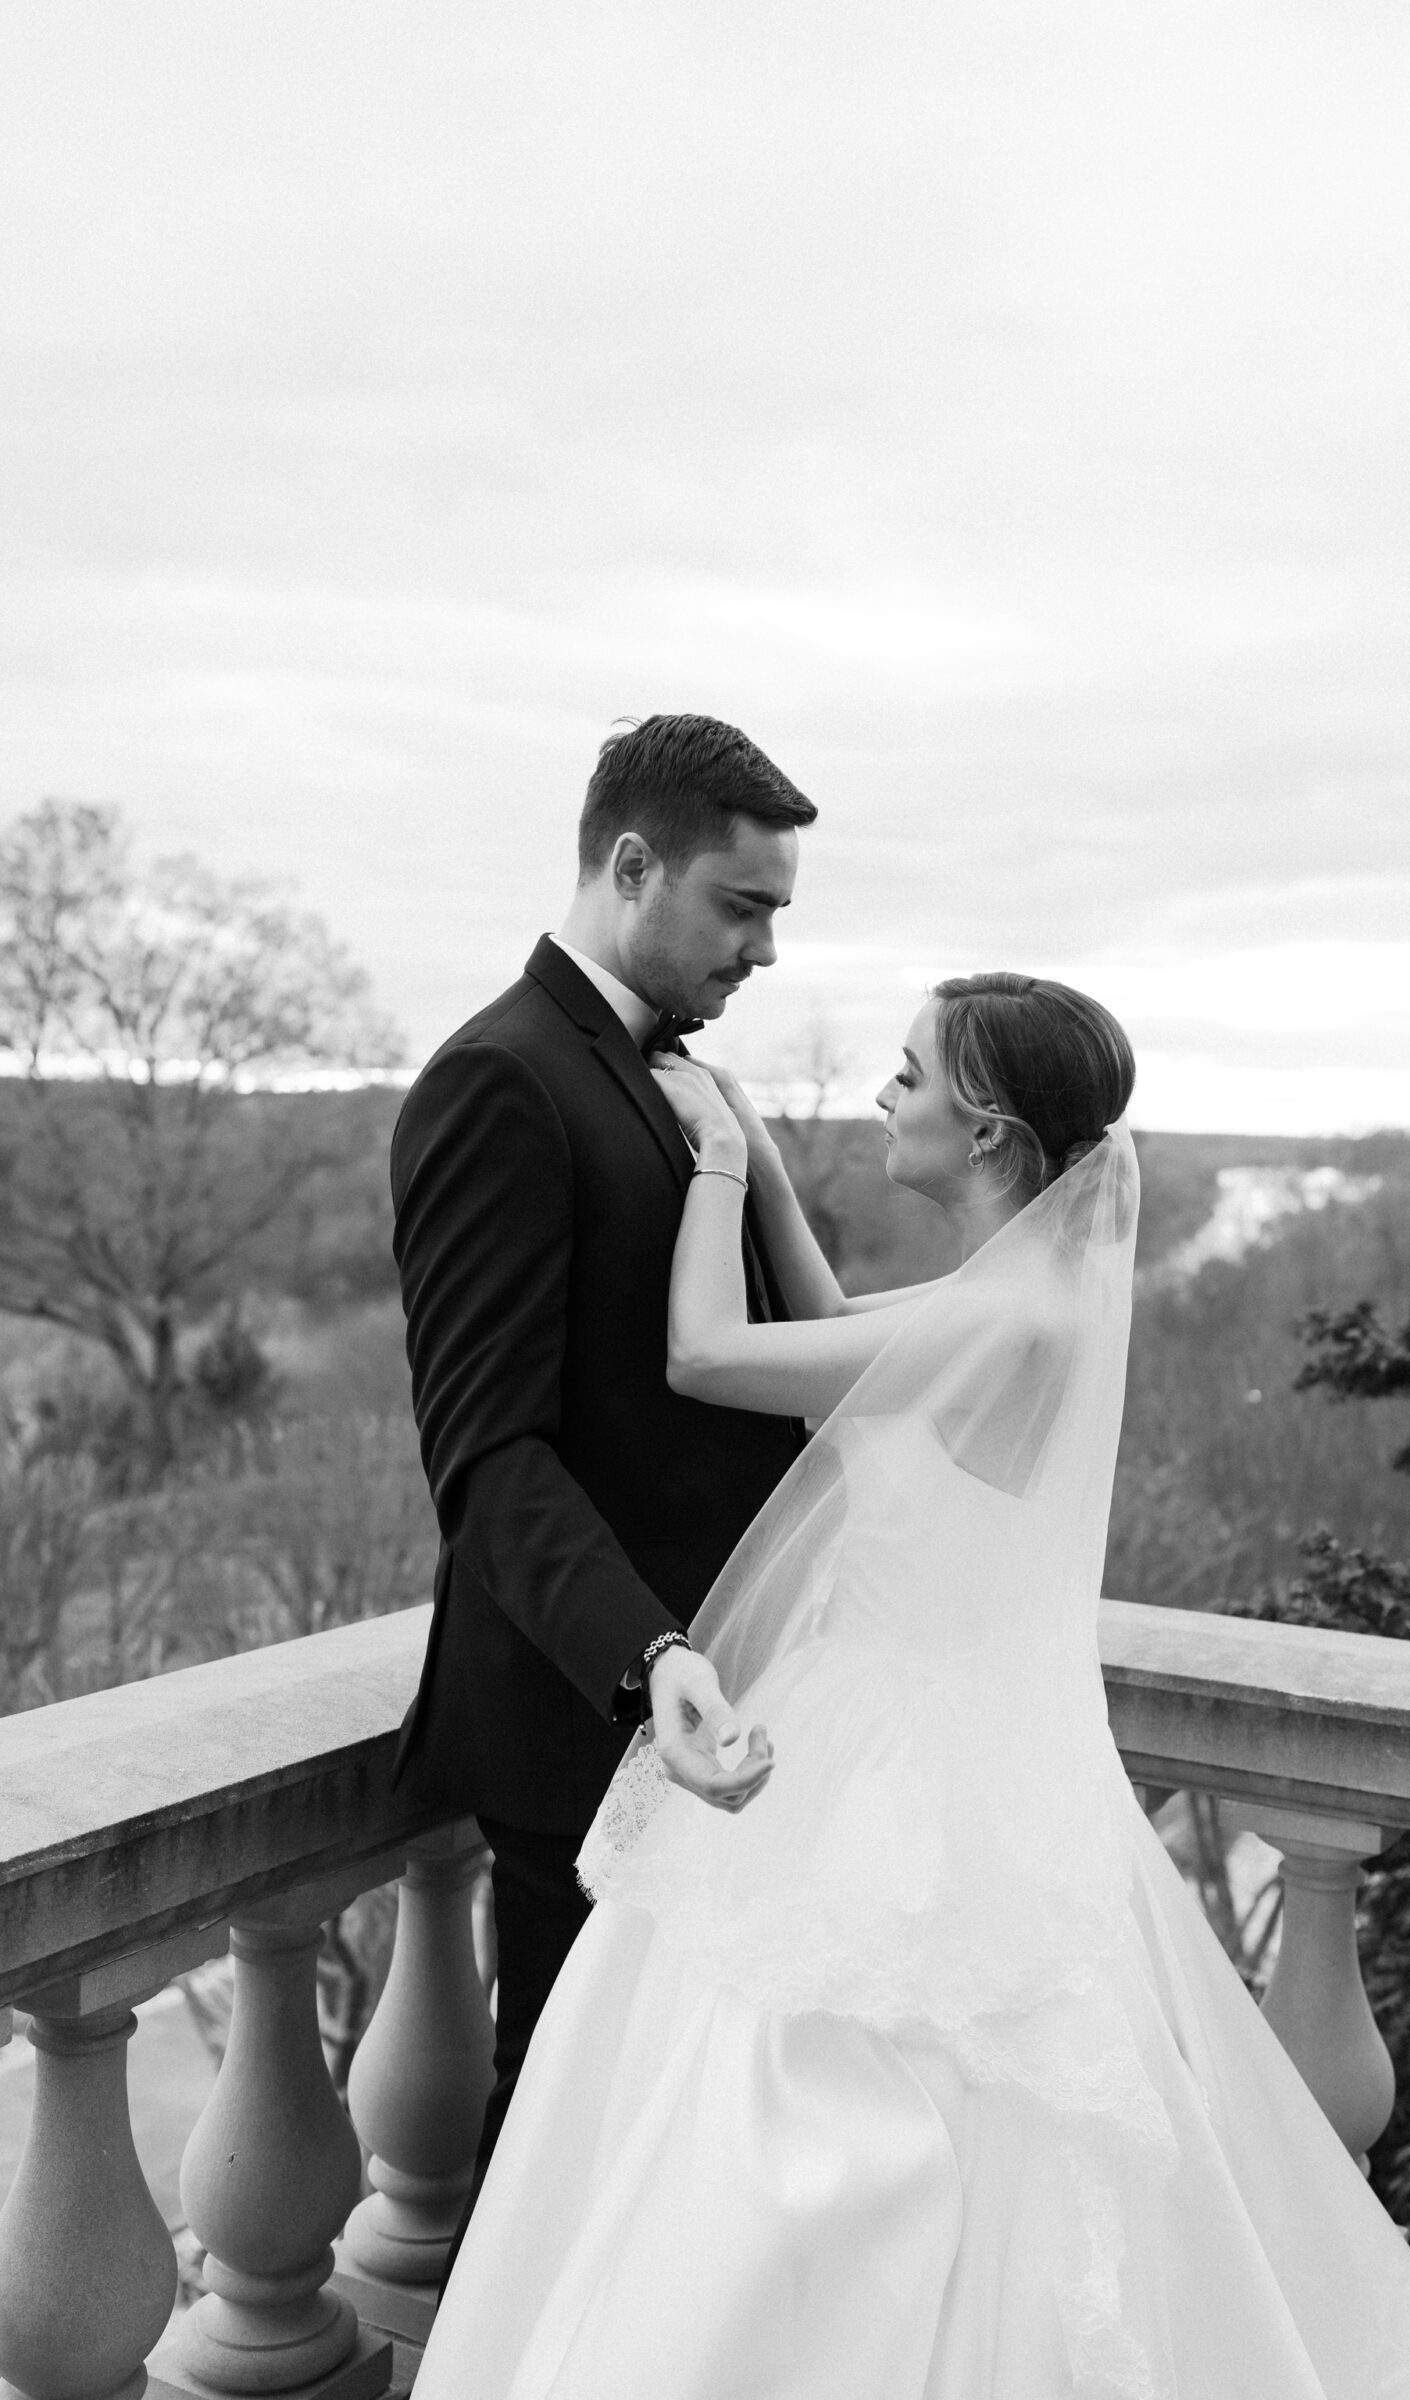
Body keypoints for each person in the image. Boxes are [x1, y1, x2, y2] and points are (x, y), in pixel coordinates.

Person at [414, 973, 1410, 2400]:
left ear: (986, 1135)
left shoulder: (1011, 1323)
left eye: (909, 1073)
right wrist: (767, 1168)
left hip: (893, 1774)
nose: (885, 1094)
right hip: (916, 1740)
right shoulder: (1011, 1298)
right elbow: (837, 1347)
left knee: (810, 2139)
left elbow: (710, 1356)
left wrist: (721, 1169)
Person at [389, 714, 815, 2266]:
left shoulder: (684, 1083)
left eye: (777, 912)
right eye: (742, 906)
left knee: (682, 2182)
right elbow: (489, 1454)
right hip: (593, 1727)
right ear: (631, 866)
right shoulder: (497, 1083)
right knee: (559, 2175)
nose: (763, 948)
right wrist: (650, 1660)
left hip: (721, 1723)